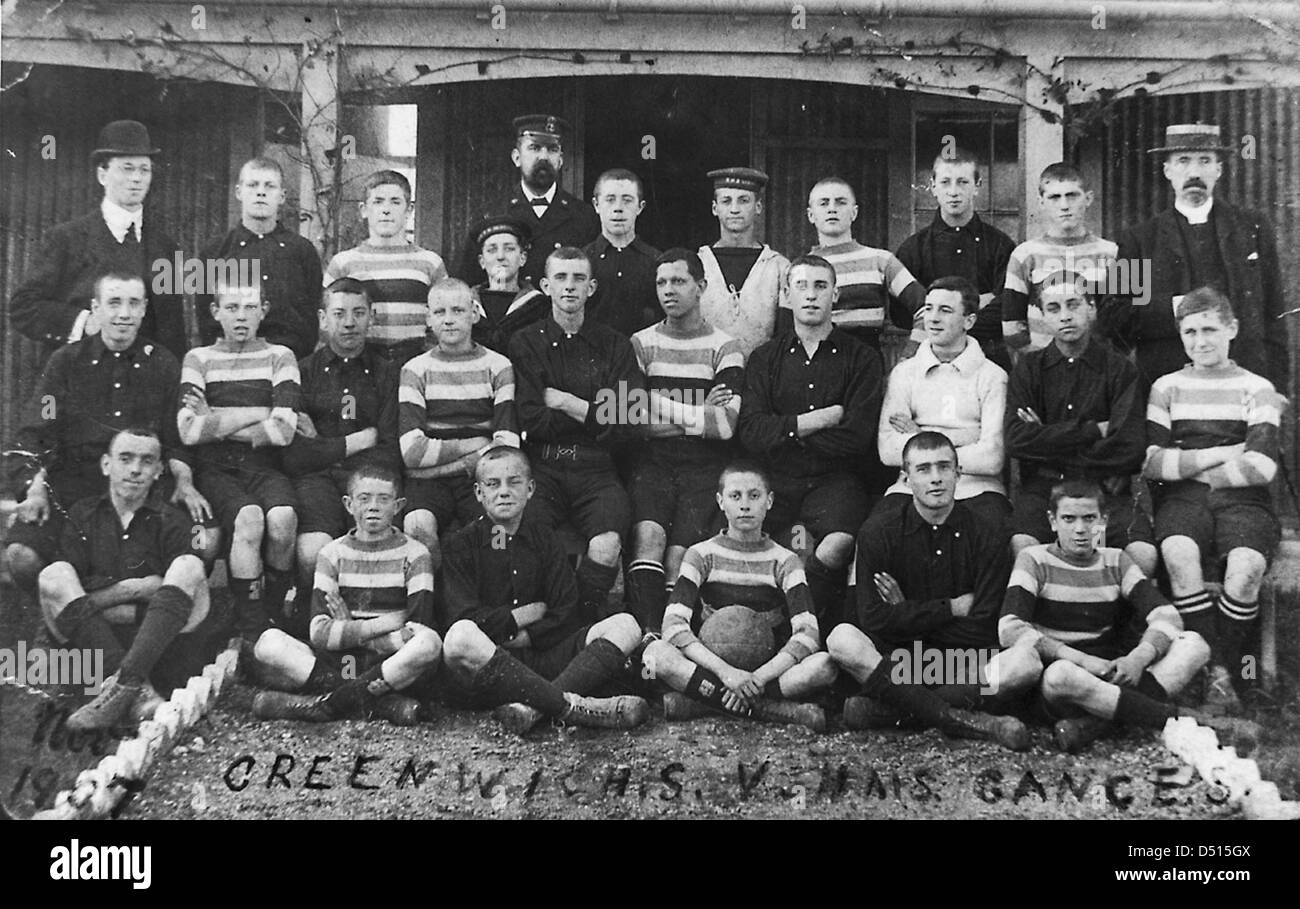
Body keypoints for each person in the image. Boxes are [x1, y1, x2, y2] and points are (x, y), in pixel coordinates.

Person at [994, 480, 1256, 752]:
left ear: (1104, 521)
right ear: (1052, 521)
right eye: (1069, 519)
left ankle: (1093, 724)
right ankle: (1185, 720)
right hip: (1061, 677)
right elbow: (1010, 628)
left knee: (1194, 645)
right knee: (1061, 675)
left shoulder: (1115, 560)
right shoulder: (1034, 559)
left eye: (1090, 519)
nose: (1081, 529)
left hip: (1109, 672)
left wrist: (1137, 658)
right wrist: (1082, 660)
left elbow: (1167, 615)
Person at [6, 271, 215, 597]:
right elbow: (36, 431)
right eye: (114, 302)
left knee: (206, 539)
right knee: (22, 556)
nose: (124, 314)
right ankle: (58, 615)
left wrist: (184, 480)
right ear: (95, 307)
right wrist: (33, 487)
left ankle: (131, 614)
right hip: (75, 483)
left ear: (145, 308)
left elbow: (177, 438)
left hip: (144, 483)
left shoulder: (162, 364)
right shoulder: (65, 363)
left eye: (133, 303)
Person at [827, 431, 1030, 750]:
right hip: (901, 661)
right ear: (906, 479)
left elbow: (983, 627)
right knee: (841, 639)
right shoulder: (878, 532)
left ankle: (894, 709)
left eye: (944, 467)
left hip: (961, 663)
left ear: (958, 474)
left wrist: (904, 609)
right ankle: (962, 720)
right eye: (923, 469)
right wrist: (950, 608)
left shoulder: (989, 532)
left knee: (1025, 664)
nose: (935, 478)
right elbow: (872, 620)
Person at [435, 446, 650, 734]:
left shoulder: (545, 540)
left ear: (531, 489)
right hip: (488, 667)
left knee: (626, 625)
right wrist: (520, 618)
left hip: (540, 659)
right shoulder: (460, 545)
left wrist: (527, 636)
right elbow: (464, 617)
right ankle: (572, 708)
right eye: (493, 484)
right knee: (460, 636)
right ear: (478, 493)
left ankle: (534, 708)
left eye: (514, 482)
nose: (504, 492)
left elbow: (566, 610)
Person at [1142, 286, 1284, 715]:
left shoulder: (1257, 389)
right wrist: (1224, 453)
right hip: (1184, 501)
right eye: (1190, 332)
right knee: (1178, 554)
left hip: (1244, 500)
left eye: (1209, 329)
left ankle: (1228, 669)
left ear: (1232, 330)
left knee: (1246, 569)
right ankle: (1227, 673)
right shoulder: (1166, 387)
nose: (1200, 341)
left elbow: (1261, 467)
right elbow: (1152, 464)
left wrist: (1188, 463)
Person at [738, 255, 882, 628]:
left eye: (820, 286)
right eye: (801, 286)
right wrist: (814, 422)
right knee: (794, 547)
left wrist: (785, 434)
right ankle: (784, 632)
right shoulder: (765, 358)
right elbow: (752, 432)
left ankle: (796, 628)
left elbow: (856, 437)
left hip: (834, 483)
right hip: (780, 484)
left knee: (835, 546)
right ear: (787, 295)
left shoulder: (862, 358)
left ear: (835, 295)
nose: (811, 295)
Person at [641, 462, 837, 731]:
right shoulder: (700, 554)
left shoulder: (786, 560)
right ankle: (765, 707)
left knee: (824, 665)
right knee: (654, 655)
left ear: (769, 502)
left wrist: (757, 677)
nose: (745, 505)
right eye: (735, 496)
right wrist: (726, 673)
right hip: (713, 665)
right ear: (721, 502)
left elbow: (808, 633)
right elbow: (673, 626)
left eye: (754, 496)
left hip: (765, 670)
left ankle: (706, 701)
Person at [38, 429, 211, 730]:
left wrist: (102, 600)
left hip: (157, 645)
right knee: (53, 575)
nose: (135, 470)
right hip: (92, 642)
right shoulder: (82, 514)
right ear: (106, 465)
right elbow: (64, 598)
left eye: (146, 462)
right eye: (126, 459)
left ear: (159, 471)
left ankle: (120, 687)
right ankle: (137, 689)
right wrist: (133, 589)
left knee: (189, 565)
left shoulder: (173, 520)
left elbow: (184, 596)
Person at [508, 247, 645, 619]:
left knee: (607, 542)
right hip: (543, 468)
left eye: (579, 278)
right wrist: (599, 414)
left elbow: (629, 423)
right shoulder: (525, 343)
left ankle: (578, 623)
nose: (569, 287)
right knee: (526, 537)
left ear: (592, 287)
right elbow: (531, 419)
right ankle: (545, 624)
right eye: (561, 278)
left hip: (597, 470)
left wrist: (568, 402)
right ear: (545, 286)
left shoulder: (615, 345)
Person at [249, 464, 441, 726]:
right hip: (340, 663)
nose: (373, 506)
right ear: (349, 504)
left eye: (383, 499)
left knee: (429, 643)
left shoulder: (416, 554)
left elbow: (416, 628)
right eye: (364, 498)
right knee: (268, 643)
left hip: (391, 665)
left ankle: (328, 704)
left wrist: (349, 630)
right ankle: (375, 703)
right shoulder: (331, 553)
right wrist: (383, 624)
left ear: (398, 506)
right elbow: (318, 633)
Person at [1105, 123, 1288, 390]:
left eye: (1205, 161)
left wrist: (1278, 389)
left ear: (1219, 169)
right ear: (1167, 171)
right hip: (1169, 389)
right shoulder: (1141, 239)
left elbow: (1275, 317)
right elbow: (1115, 316)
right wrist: (1178, 307)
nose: (1194, 172)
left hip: (1245, 384)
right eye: (1183, 161)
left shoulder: (1252, 229)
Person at [626, 248, 745, 630]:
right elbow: (630, 422)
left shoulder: (726, 347)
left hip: (705, 463)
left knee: (682, 555)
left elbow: (725, 425)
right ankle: (648, 634)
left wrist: (657, 402)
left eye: (678, 281)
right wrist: (699, 411)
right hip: (653, 460)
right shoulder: (641, 344)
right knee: (649, 539)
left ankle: (675, 640)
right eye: (661, 282)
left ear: (701, 287)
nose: (668, 290)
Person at [1005, 272, 1156, 575]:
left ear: (1092, 308)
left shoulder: (1121, 370)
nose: (1065, 317)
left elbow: (1128, 447)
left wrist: (1046, 436)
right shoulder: (1029, 370)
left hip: (1104, 491)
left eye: (1073, 305)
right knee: (1024, 547)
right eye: (1054, 308)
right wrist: (1093, 431)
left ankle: (1116, 623)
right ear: (1044, 317)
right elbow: (1016, 440)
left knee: (1143, 555)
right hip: (1045, 489)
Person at [178, 281, 300, 644]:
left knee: (283, 519)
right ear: (216, 313)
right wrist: (259, 412)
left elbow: (283, 430)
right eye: (231, 308)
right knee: (249, 518)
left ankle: (274, 614)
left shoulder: (281, 356)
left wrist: (215, 417)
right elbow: (187, 430)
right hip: (214, 469)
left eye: (249, 308)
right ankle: (251, 629)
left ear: (263, 310)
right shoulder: (197, 359)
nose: (241, 317)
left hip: (263, 465)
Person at [9, 120, 186, 358]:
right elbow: (24, 307)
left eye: (144, 170)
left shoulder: (166, 247)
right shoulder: (66, 239)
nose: (137, 178)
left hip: (144, 383)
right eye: (127, 168)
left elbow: (173, 331)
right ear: (102, 175)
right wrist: (85, 322)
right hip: (80, 376)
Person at [283, 278, 401, 619]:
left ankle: (373, 627)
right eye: (339, 313)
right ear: (323, 319)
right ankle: (312, 626)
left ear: (371, 317)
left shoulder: (388, 373)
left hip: (370, 482)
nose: (349, 322)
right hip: (316, 480)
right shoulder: (301, 373)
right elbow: (294, 456)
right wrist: (359, 441)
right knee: (311, 552)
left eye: (358, 313)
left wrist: (322, 444)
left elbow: (391, 449)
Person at [400, 278, 520, 567]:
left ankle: (492, 607)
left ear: (474, 314)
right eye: (440, 312)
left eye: (458, 310)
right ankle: (438, 604)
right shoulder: (415, 370)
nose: (449, 320)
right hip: (431, 487)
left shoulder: (499, 366)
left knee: (498, 535)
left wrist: (454, 467)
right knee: (418, 526)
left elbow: (507, 444)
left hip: (480, 477)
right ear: (428, 318)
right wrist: (475, 445)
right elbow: (412, 452)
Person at [877, 276, 1010, 531]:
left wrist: (921, 437)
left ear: (969, 321)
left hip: (976, 488)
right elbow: (888, 450)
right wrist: (967, 438)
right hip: (911, 487)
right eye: (929, 308)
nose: (933, 318)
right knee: (875, 532)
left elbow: (992, 458)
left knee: (991, 534)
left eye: (945, 310)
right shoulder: (904, 373)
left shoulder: (992, 377)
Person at [895, 148, 1015, 371]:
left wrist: (942, 318)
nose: (953, 191)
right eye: (945, 182)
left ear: (977, 186)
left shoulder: (1000, 245)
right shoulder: (912, 249)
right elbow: (900, 315)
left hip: (988, 358)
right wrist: (977, 304)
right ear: (932, 186)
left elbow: (1007, 307)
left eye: (962, 182)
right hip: (930, 360)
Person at [196, 157, 324, 359]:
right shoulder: (214, 252)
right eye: (253, 185)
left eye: (269, 186)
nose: (261, 192)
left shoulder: (302, 251)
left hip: (291, 365)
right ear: (239, 192)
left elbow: (311, 316)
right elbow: (206, 319)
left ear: (282, 196)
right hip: (230, 366)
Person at [457, 115, 600, 289]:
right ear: (517, 157)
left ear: (561, 160)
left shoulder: (584, 216)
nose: (544, 157)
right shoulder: (491, 214)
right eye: (534, 148)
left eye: (552, 149)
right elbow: (467, 283)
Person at [322, 170, 447, 365]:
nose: (386, 210)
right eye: (378, 201)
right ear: (364, 210)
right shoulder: (343, 263)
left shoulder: (430, 263)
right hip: (361, 366)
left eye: (395, 202)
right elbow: (328, 324)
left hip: (415, 364)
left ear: (409, 210)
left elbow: (443, 318)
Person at [801, 175, 926, 353]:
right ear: (811, 215)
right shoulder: (802, 269)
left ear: (854, 212)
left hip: (868, 362)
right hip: (819, 364)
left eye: (840, 202)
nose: (832, 209)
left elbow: (927, 308)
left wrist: (911, 356)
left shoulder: (881, 260)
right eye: (823, 203)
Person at [1001, 162, 1116, 355]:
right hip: (1043, 369)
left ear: (1088, 198)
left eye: (1072, 195)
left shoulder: (1112, 253)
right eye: (1055, 197)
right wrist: (1040, 363)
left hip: (1099, 371)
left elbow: (1130, 323)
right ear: (1041, 202)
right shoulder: (1024, 255)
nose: (1064, 205)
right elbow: (1011, 325)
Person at [696, 167, 790, 357]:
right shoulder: (698, 264)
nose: (734, 209)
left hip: (762, 378)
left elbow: (785, 336)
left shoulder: (779, 266)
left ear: (758, 207)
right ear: (715, 208)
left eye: (744, 200)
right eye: (726, 201)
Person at [583, 168, 662, 338]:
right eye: (610, 200)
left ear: (640, 207)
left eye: (627, 200)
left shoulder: (656, 262)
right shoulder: (583, 261)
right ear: (596, 205)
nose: (618, 208)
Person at [467, 215, 548, 354]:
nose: (500, 256)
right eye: (492, 250)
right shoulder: (466, 304)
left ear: (522, 258)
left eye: (509, 249)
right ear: (482, 261)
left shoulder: (538, 306)